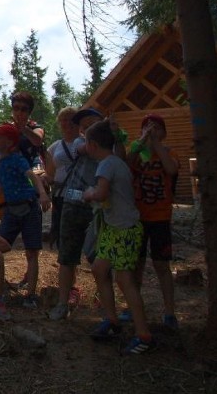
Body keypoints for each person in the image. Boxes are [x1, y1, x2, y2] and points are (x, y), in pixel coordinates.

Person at [83, 120, 155, 354]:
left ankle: (143, 334)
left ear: (93, 145)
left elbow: (102, 192)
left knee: (124, 280)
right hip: (114, 229)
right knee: (99, 268)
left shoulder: (106, 165)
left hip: (125, 229)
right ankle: (112, 320)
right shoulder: (116, 161)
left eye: (86, 143)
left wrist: (89, 193)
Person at [125, 113, 180, 330]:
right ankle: (133, 307)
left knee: (161, 264)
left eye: (156, 127)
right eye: (147, 127)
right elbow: (126, 163)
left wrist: (156, 143)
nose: (151, 131)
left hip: (160, 217)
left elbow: (172, 169)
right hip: (138, 217)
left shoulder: (169, 152)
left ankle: (170, 312)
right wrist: (141, 142)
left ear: (164, 132)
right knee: (135, 265)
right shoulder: (138, 154)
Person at [0, 123, 51, 308]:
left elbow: (32, 176)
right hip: (10, 210)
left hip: (29, 207)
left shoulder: (18, 160)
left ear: (9, 142)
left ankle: (31, 294)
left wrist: (42, 194)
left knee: (32, 251)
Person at [48, 107, 102, 321]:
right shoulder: (82, 143)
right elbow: (84, 149)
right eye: (83, 125)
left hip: (98, 206)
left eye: (91, 124)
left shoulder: (109, 144)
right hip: (72, 202)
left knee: (98, 255)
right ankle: (63, 303)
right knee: (67, 256)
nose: (86, 128)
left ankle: (104, 300)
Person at [45, 107, 80, 251]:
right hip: (60, 195)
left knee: (76, 230)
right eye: (63, 120)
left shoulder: (86, 143)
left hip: (79, 194)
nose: (67, 123)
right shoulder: (55, 147)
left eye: (71, 119)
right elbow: (50, 173)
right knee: (60, 231)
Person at [8, 91, 46, 168]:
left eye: (24, 109)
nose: (19, 112)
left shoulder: (35, 127)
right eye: (16, 108)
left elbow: (38, 141)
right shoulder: (6, 127)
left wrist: (23, 128)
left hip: (33, 168)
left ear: (29, 112)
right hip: (10, 170)